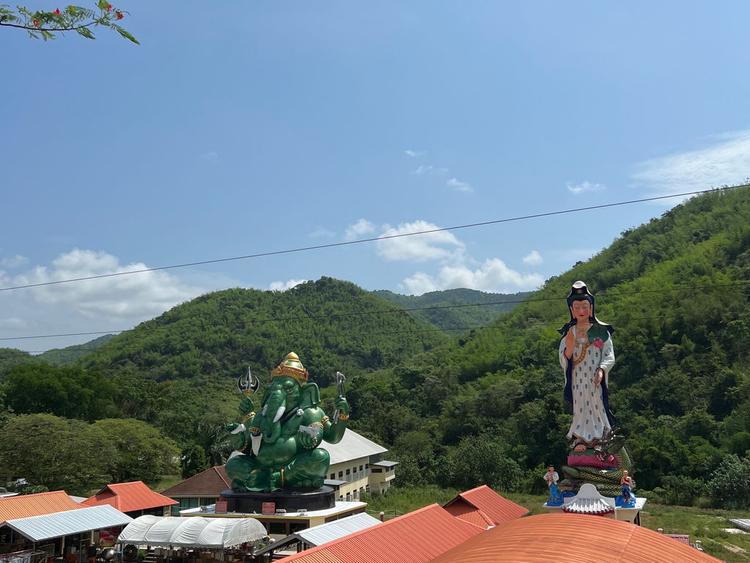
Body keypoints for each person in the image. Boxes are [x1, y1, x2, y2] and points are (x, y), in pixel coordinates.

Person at [558, 281, 615, 451]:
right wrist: (569, 347)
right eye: (577, 307)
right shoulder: (569, 332)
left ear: (591, 308)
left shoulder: (600, 331)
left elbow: (609, 355)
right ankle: (581, 437)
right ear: (572, 310)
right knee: (580, 406)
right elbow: (564, 358)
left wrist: (602, 369)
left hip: (594, 377)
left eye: (584, 306)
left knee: (596, 404)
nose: (581, 311)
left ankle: (600, 437)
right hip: (577, 378)